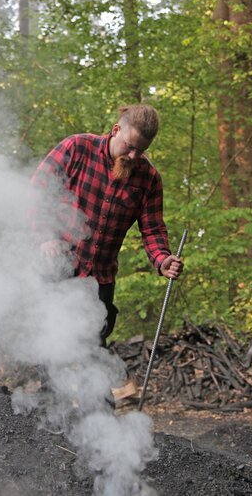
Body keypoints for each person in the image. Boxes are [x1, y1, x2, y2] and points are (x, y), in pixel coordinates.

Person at [29, 104, 184, 347]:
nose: (133, 156)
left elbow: (152, 228)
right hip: (56, 265)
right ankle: (48, 387)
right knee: (50, 341)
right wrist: (45, 236)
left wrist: (162, 259)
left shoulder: (148, 178)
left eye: (141, 151)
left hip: (100, 276)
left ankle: (99, 386)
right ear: (116, 130)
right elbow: (38, 188)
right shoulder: (77, 148)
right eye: (130, 147)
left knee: (94, 344)